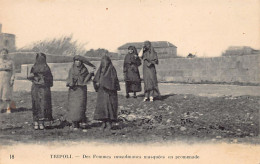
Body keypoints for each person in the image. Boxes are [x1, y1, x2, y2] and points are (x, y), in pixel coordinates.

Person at [66, 55, 96, 130]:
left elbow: (85, 80)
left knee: (81, 106)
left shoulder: (84, 70)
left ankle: (80, 121)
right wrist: (71, 83)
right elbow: (69, 79)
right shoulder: (71, 69)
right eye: (76, 60)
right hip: (73, 90)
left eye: (79, 61)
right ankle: (74, 123)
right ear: (74, 61)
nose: (78, 62)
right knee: (73, 106)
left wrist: (91, 74)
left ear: (81, 62)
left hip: (81, 90)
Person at [93, 55, 120, 131]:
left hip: (110, 93)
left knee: (109, 107)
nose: (104, 66)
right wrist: (97, 83)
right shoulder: (100, 70)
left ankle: (109, 123)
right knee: (102, 107)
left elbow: (113, 81)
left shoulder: (112, 70)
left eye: (106, 63)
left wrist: (104, 83)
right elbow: (96, 79)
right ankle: (103, 122)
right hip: (102, 92)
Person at [27, 53, 53, 130]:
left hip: (44, 88)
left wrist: (45, 80)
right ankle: (35, 122)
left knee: (43, 104)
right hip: (36, 88)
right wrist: (32, 77)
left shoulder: (47, 68)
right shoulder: (33, 67)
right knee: (36, 104)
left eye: (42, 58)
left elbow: (50, 78)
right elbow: (30, 76)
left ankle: (41, 122)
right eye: (39, 58)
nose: (40, 60)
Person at [0, 48, 15, 113]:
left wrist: (12, 79)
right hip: (0, 78)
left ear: (7, 54)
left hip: (7, 78)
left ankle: (8, 108)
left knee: (7, 93)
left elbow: (13, 71)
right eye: (2, 53)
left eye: (5, 53)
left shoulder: (11, 62)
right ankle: (1, 108)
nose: (4, 54)